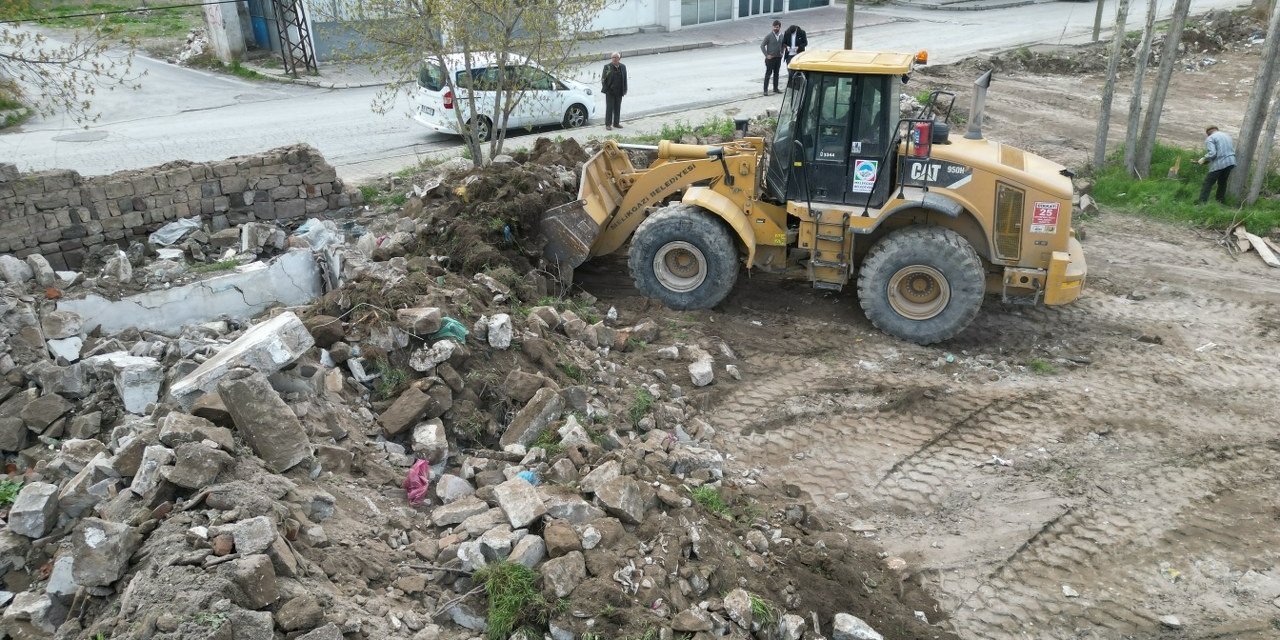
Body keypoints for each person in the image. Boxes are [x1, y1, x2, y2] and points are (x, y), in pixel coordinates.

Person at [1197, 125, 1236, 205]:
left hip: (1220, 163)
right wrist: (1208, 161)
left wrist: (1204, 158)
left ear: (1208, 133)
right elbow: (1223, 151)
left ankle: (1201, 203)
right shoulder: (1227, 136)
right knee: (1222, 183)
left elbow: (1212, 153)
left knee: (1208, 183)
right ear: (1217, 130)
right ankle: (1220, 202)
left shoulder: (1210, 138)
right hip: (1230, 162)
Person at [601, 52, 628, 131]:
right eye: (613, 57)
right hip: (610, 91)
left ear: (619, 59)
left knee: (617, 107)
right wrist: (606, 89)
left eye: (616, 57)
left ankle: (616, 123)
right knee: (609, 108)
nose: (614, 59)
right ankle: (608, 124)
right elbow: (603, 79)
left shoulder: (623, 67)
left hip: (619, 91)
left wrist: (625, 89)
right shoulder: (607, 67)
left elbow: (625, 78)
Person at [761, 20, 783, 96]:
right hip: (770, 59)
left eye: (777, 27)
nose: (775, 28)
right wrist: (766, 55)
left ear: (779, 27)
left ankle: (775, 88)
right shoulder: (769, 36)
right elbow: (762, 45)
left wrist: (782, 52)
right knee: (768, 74)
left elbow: (783, 45)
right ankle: (765, 90)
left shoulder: (781, 36)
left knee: (776, 73)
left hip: (778, 58)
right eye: (774, 27)